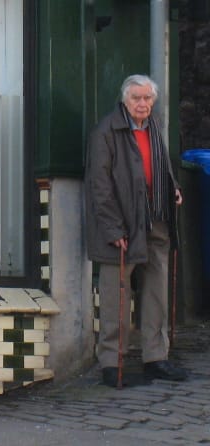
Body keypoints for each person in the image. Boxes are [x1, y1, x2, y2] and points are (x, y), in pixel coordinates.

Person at [84, 74, 187, 387]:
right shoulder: (107, 132)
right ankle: (111, 363)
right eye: (136, 98)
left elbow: (161, 168)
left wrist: (174, 189)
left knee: (157, 293)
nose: (143, 104)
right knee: (117, 295)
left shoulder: (154, 127)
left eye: (147, 98)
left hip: (157, 219)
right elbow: (99, 185)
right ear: (125, 100)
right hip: (123, 226)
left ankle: (156, 358)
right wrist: (113, 227)